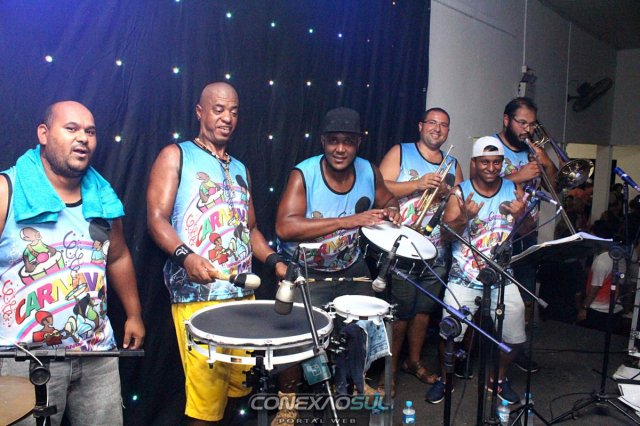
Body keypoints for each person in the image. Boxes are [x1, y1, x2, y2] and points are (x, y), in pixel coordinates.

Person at [146, 82, 287, 425]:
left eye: (234, 111)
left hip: (243, 296)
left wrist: (274, 261)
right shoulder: (175, 155)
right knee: (206, 405)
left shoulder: (241, 168)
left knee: (240, 390)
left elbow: (250, 229)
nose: (227, 118)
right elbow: (156, 219)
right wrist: (186, 256)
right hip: (199, 299)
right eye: (219, 109)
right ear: (200, 111)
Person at [0, 101, 145, 425]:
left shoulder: (103, 198)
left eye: (90, 132)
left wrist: (134, 314)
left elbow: (118, 255)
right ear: (43, 134)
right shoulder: (6, 190)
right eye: (71, 129)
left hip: (97, 355)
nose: (83, 138)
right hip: (22, 359)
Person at [274, 107, 401, 423]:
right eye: (333, 141)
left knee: (364, 325)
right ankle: (288, 402)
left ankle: (357, 382)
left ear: (359, 142)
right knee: (294, 337)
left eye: (348, 141)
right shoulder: (304, 174)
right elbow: (285, 227)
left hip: (349, 265)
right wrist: (350, 220)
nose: (340, 149)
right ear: (323, 141)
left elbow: (389, 200)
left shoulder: (368, 171)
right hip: (306, 270)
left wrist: (392, 211)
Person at [425, 137, 531, 405]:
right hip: (464, 277)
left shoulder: (514, 189)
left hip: (503, 278)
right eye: (485, 162)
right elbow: (446, 236)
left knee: (515, 336)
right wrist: (465, 218)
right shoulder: (459, 193)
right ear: (474, 163)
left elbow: (528, 231)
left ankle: (498, 379)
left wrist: (523, 216)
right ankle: (445, 379)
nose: (491, 168)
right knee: (450, 333)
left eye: (496, 162)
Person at [378, 107, 462, 395]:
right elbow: (380, 188)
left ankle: (413, 362)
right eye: (432, 123)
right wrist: (418, 184)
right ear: (420, 125)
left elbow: (458, 204)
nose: (437, 129)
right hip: (402, 248)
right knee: (399, 314)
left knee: (424, 312)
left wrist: (448, 195)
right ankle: (389, 372)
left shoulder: (452, 163)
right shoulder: (400, 152)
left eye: (444, 125)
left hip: (435, 250)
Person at [488, 97, 557, 372]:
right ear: (507, 120)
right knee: (488, 294)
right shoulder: (490, 145)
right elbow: (478, 185)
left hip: (527, 232)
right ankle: (476, 350)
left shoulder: (533, 150)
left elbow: (555, 187)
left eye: (532, 124)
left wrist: (546, 162)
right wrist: (518, 175)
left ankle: (517, 348)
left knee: (525, 293)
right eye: (522, 122)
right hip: (495, 234)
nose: (527, 129)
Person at [577, 220, 625, 332]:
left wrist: (584, 308)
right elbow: (621, 280)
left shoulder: (601, 261)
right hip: (613, 308)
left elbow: (595, 288)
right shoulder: (618, 255)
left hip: (598, 310)